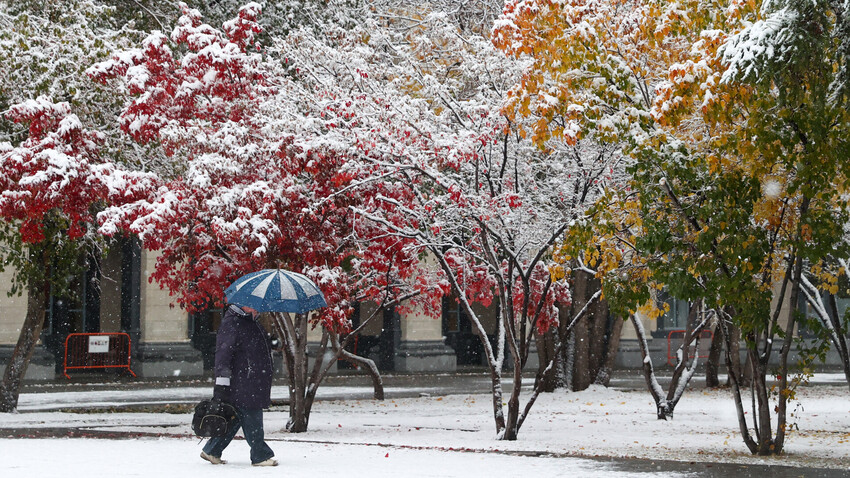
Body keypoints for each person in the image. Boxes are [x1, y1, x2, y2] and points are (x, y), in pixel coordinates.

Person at [200, 303, 278, 466]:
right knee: (252, 415)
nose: (258, 308)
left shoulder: (251, 323)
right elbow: (223, 355)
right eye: (253, 305)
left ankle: (212, 450)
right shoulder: (233, 323)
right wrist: (222, 383)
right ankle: (260, 455)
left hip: (251, 379)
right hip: (243, 381)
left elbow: (257, 347)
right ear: (242, 305)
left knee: (235, 417)